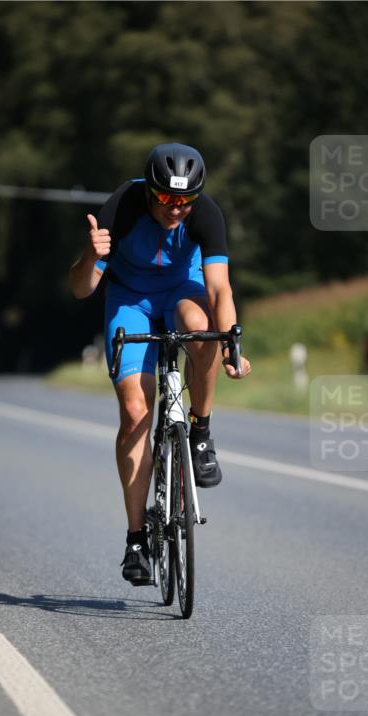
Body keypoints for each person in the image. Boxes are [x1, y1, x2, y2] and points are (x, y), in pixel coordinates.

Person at [69, 142, 251, 585]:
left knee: (202, 329)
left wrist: (231, 343)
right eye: (168, 199)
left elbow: (219, 290)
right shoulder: (123, 205)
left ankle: (201, 430)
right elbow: (80, 289)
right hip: (129, 299)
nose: (177, 209)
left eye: (185, 201)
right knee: (135, 415)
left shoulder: (205, 214)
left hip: (181, 291)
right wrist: (92, 255)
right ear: (150, 191)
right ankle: (136, 539)